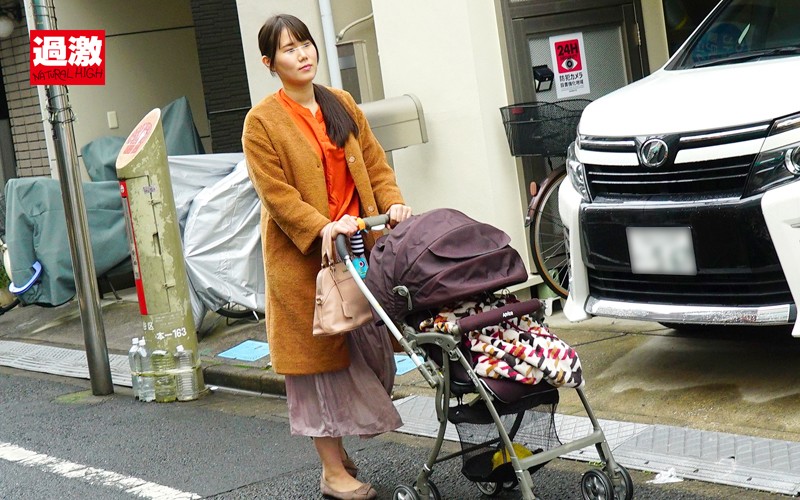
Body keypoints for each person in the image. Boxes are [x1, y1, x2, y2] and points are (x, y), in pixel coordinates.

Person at [242, 13, 412, 500]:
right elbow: (276, 194)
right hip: (304, 264)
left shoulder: (341, 102)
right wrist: (322, 226)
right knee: (317, 366)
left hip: (359, 251)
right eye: (289, 49)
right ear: (269, 63)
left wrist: (392, 203)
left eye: (306, 44)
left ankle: (338, 454)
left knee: (371, 350)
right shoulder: (261, 122)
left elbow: (375, 164)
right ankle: (333, 471)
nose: (302, 54)